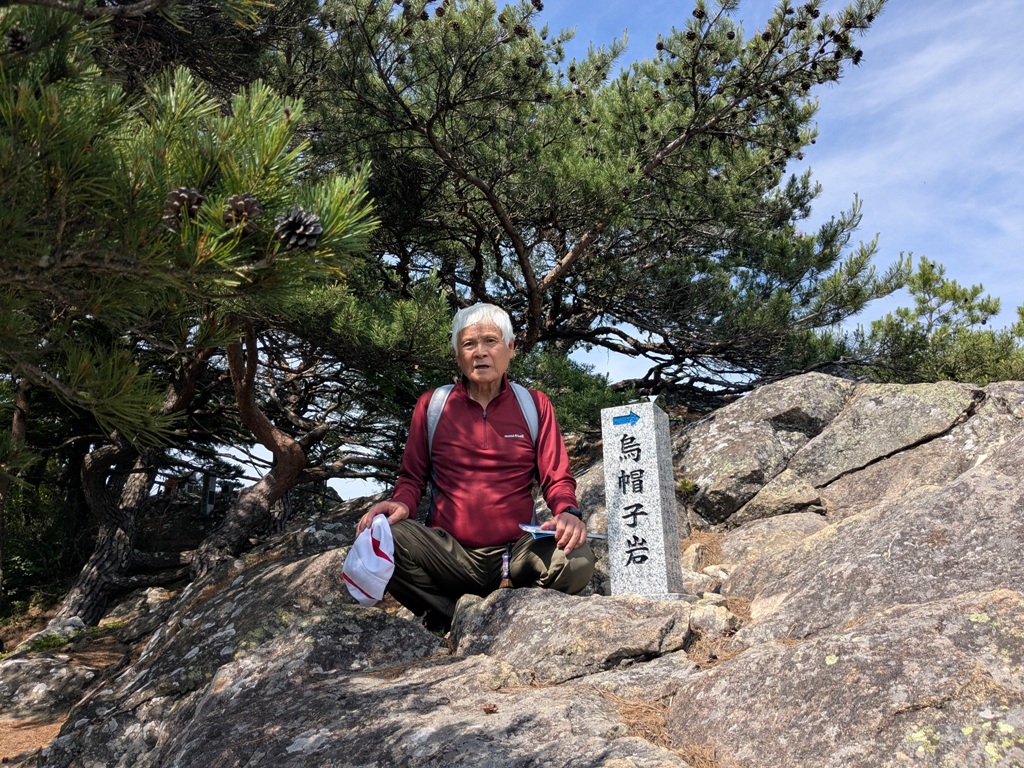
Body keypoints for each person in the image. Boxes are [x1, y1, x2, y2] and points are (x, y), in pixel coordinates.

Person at [356, 303, 595, 631]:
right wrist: (402, 503)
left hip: (517, 552)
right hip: (449, 555)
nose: (480, 352)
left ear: (510, 348)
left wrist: (567, 511)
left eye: (491, 341)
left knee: (578, 560)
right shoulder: (433, 406)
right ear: (457, 355)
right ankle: (453, 616)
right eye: (469, 344)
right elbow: (412, 477)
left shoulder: (534, 404)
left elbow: (556, 477)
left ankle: (520, 611)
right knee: (383, 536)